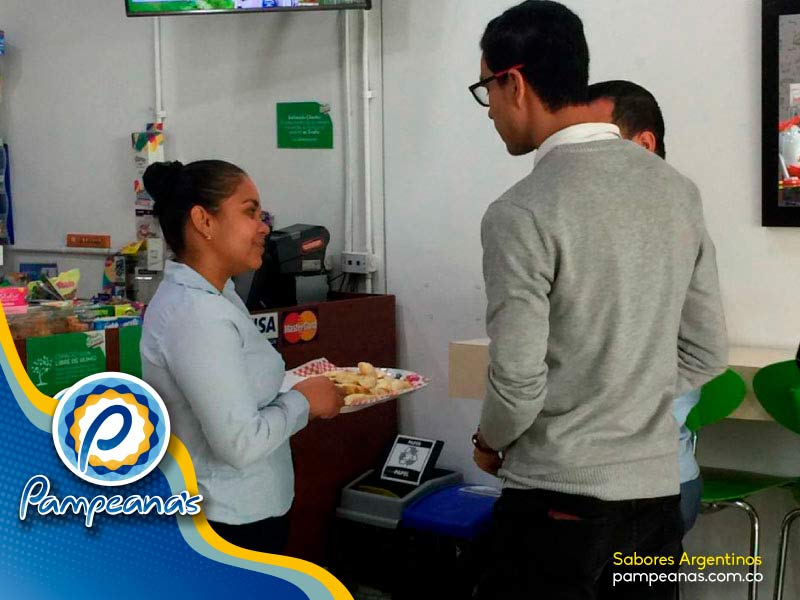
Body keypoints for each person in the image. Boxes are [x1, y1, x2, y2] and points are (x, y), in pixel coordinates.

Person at [468, 2, 728, 598]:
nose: (491, 111)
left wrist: (489, 441)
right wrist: (627, 396)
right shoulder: (677, 191)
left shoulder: (521, 210)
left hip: (559, 505)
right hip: (657, 501)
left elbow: (517, 383)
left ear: (514, 83)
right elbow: (707, 350)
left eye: (487, 91)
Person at [140, 159, 344, 555]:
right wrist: (305, 402)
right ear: (204, 221)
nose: (264, 227)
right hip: (224, 522)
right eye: (250, 212)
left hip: (247, 514)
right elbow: (239, 443)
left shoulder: (219, 295)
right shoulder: (196, 315)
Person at [588, 79, 703, 535]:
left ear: (644, 144)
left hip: (631, 489)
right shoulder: (677, 215)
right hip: (659, 478)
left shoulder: (655, 231)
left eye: (597, 139)